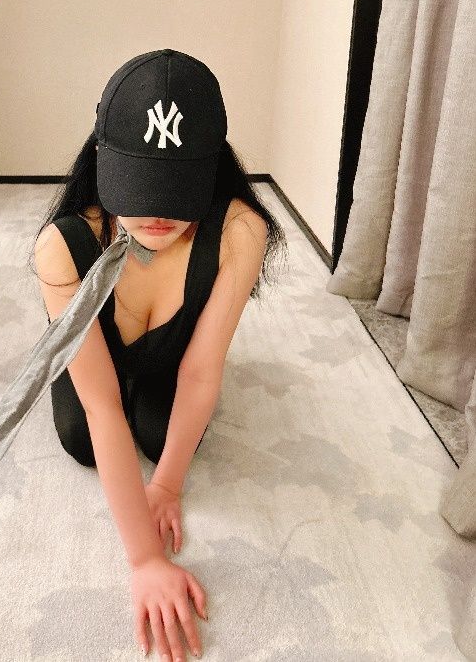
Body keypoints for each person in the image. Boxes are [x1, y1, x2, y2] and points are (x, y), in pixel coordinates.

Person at [31, 49, 287, 661]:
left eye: (178, 191)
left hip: (175, 359)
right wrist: (145, 560)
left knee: (161, 433)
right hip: (98, 358)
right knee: (83, 437)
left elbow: (201, 370)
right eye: (140, 189)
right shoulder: (63, 247)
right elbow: (100, 405)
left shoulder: (240, 230)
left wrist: (167, 484)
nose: (158, 215)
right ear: (103, 162)